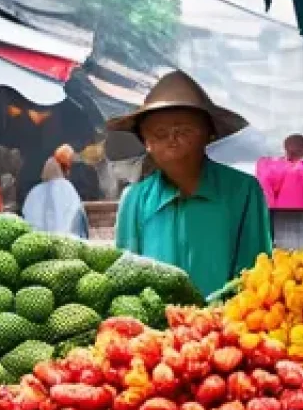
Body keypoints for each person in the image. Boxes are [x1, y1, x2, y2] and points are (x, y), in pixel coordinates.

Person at [110, 70, 272, 298]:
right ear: (146, 142)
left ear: (209, 134)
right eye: (160, 133)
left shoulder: (243, 190)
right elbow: (125, 278)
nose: (172, 140)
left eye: (184, 131)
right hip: (156, 329)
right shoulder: (135, 198)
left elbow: (257, 273)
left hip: (226, 326)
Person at [21, 146, 89, 237]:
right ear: (67, 170)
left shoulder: (33, 193)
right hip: (67, 245)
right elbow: (79, 223)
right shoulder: (67, 189)